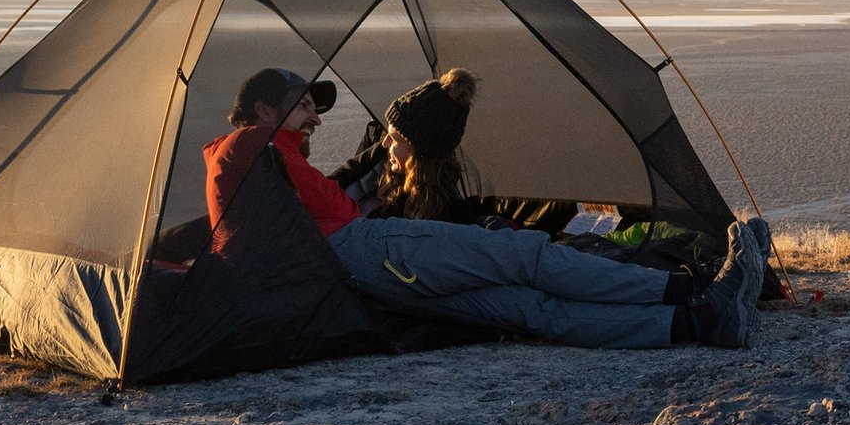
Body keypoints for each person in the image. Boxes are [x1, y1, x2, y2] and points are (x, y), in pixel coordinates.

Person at [202, 67, 764, 349]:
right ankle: (691, 292)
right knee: (524, 256)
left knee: (526, 308)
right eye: (302, 107)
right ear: (262, 108)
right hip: (371, 250)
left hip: (362, 269)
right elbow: (332, 205)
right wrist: (371, 167)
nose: (314, 118)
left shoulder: (241, 161)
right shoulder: (258, 145)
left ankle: (697, 322)